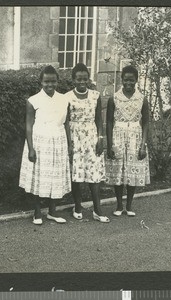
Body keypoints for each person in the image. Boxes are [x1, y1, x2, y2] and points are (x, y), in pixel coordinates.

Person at [19, 65, 71, 225]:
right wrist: (31, 148)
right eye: (47, 82)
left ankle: (52, 211)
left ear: (57, 81)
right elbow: (28, 126)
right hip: (40, 142)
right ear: (41, 82)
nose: (50, 85)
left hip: (59, 141)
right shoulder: (33, 100)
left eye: (53, 81)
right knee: (39, 176)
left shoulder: (64, 99)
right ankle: (37, 212)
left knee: (55, 175)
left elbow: (67, 123)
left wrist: (69, 144)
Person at [66, 63, 110, 223]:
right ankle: (77, 206)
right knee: (76, 173)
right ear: (73, 80)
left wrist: (100, 139)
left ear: (88, 79)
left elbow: (99, 119)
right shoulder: (67, 97)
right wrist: (69, 144)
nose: (82, 82)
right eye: (78, 79)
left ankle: (97, 210)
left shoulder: (95, 95)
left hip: (91, 136)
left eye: (85, 79)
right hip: (75, 136)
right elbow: (66, 121)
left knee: (94, 173)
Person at [106, 65, 150, 216]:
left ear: (136, 80)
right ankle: (119, 206)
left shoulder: (142, 99)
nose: (128, 83)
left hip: (135, 137)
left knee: (133, 170)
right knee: (118, 170)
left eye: (132, 80)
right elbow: (109, 122)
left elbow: (145, 122)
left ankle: (129, 206)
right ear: (121, 80)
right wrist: (110, 143)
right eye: (126, 80)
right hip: (118, 135)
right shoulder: (114, 98)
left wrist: (143, 145)